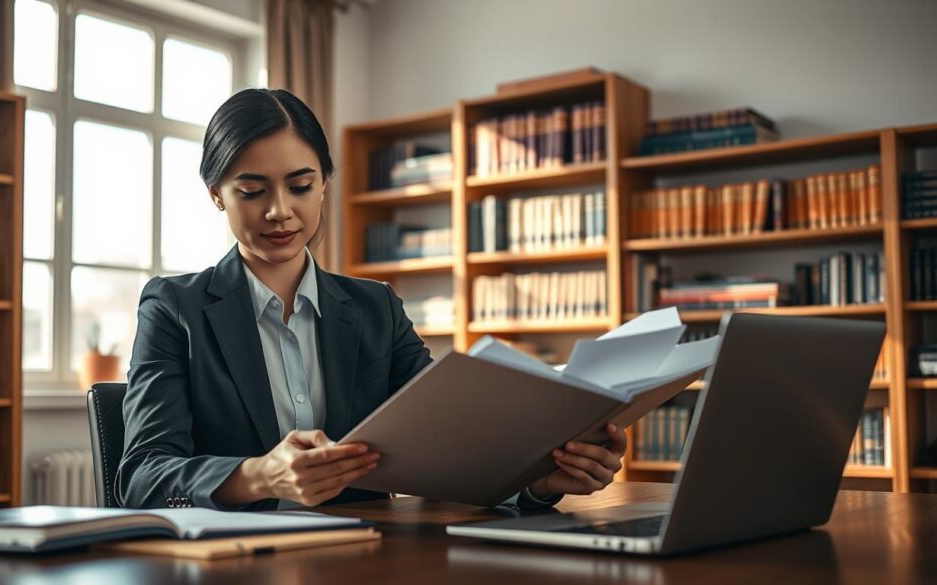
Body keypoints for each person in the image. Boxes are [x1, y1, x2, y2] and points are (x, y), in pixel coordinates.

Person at [115, 88, 627, 511]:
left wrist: (540, 483)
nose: (280, 211)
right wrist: (260, 475)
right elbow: (141, 476)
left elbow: (449, 444)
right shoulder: (172, 307)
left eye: (300, 185)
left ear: (324, 186)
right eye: (251, 192)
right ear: (216, 195)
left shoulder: (375, 308)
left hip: (369, 556)